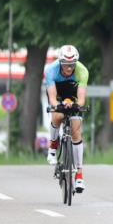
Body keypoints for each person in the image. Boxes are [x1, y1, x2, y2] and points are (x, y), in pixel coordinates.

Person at [43, 45, 89, 192]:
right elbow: (52, 98)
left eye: (72, 64)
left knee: (76, 131)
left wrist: (74, 105)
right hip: (58, 93)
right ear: (60, 62)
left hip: (73, 92)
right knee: (57, 115)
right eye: (66, 64)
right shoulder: (51, 70)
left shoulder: (82, 71)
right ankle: (53, 146)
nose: (69, 68)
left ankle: (79, 175)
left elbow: (81, 100)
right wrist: (59, 104)